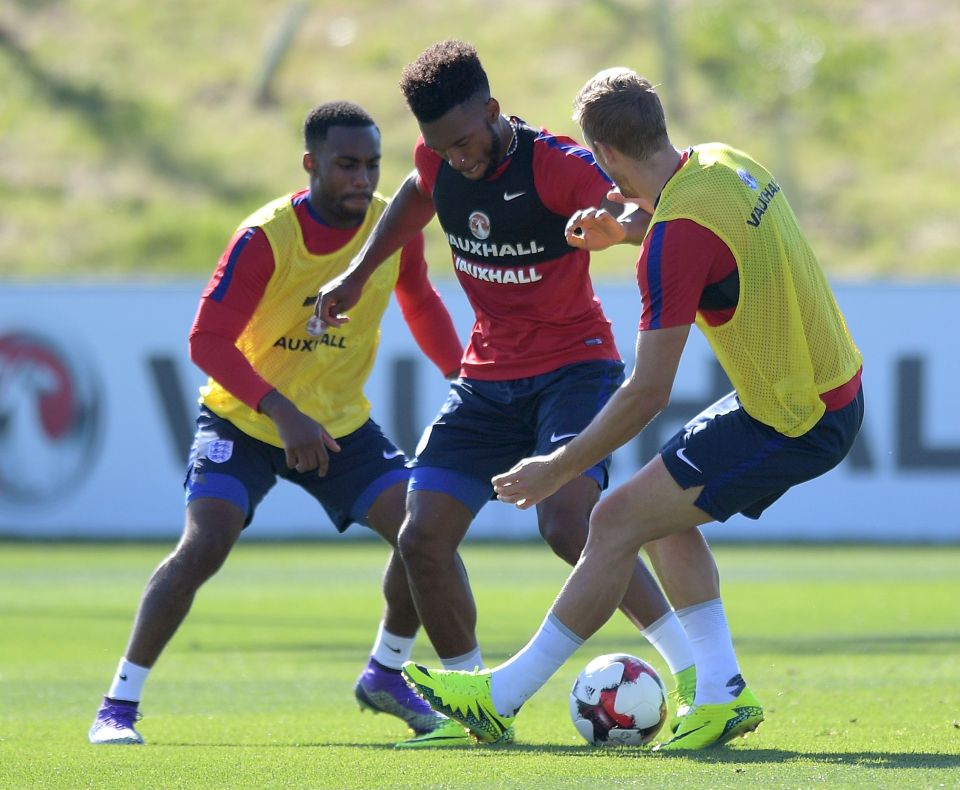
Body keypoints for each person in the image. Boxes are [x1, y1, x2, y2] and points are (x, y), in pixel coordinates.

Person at [401, 67, 864, 750]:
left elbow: (647, 391)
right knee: (661, 516)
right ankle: (719, 691)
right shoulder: (722, 162)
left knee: (614, 518)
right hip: (817, 387)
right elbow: (702, 237)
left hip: (796, 417)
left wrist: (556, 466)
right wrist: (623, 234)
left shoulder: (674, 241)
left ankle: (503, 696)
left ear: (607, 155)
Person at [315, 41, 699, 744]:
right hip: (486, 380)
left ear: (493, 112)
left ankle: (693, 670)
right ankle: (475, 699)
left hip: (574, 371)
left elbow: (643, 210)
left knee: (568, 525)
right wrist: (357, 273)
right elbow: (412, 197)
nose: (455, 158)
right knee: (420, 535)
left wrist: (618, 230)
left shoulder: (554, 166)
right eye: (439, 147)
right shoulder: (438, 160)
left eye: (464, 142)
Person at [88, 101, 469, 749]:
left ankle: (386, 672)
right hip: (245, 420)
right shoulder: (266, 237)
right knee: (206, 542)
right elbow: (207, 342)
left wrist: (464, 377)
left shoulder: (390, 227)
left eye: (372, 164)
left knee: (422, 533)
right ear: (310, 164)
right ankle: (117, 706)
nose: (361, 177)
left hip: (341, 425)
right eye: (345, 164)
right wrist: (283, 413)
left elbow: (421, 301)